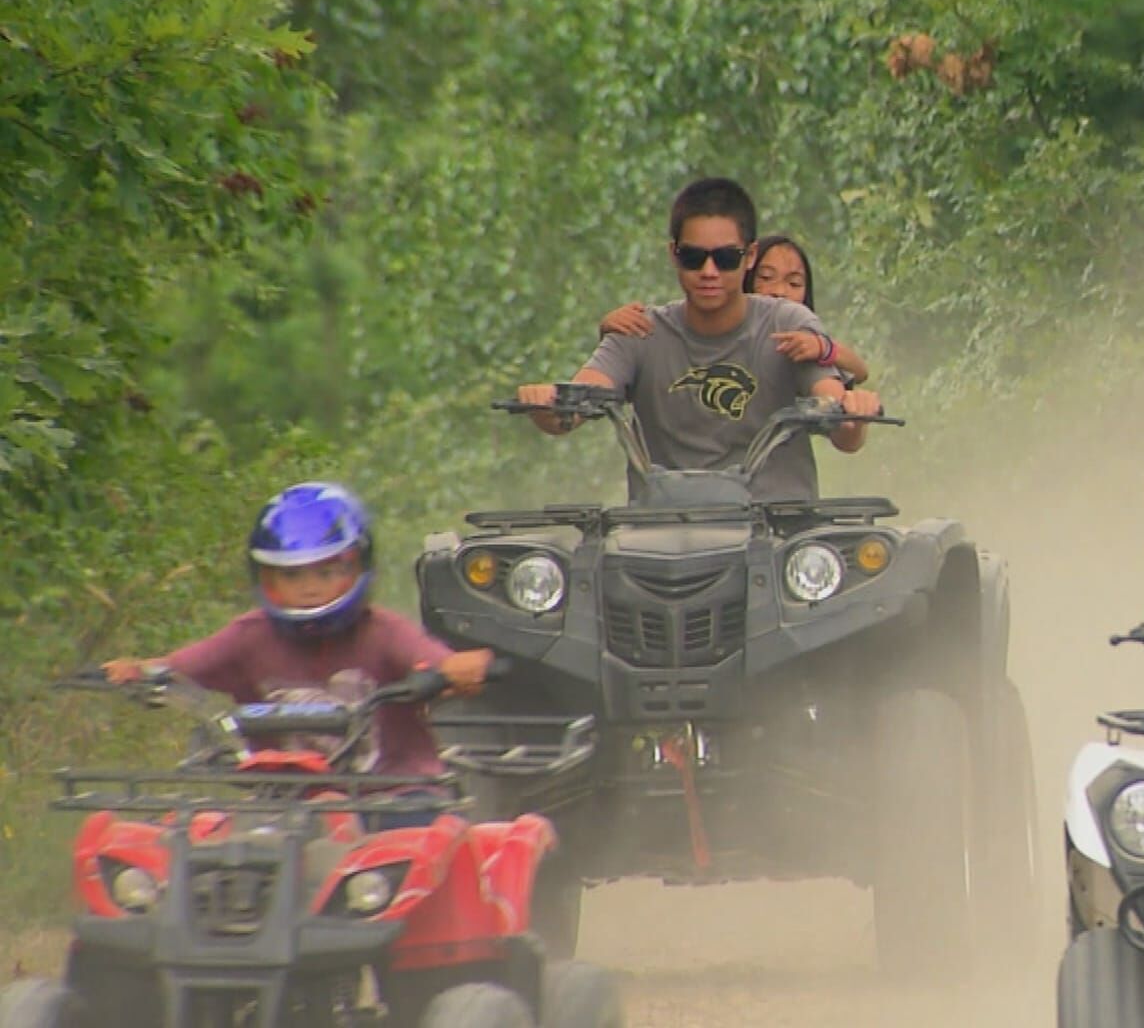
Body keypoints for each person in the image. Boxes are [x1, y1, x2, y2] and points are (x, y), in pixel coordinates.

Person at [104, 482, 492, 826]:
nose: (309, 588)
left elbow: (435, 660)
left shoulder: (382, 632)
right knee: (198, 845)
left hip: (394, 797)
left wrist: (455, 669)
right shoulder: (249, 636)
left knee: (421, 840)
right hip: (286, 806)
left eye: (326, 573)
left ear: (358, 568)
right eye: (292, 575)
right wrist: (138, 672)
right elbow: (178, 668)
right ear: (265, 576)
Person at [517, 178, 881, 500]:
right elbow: (574, 406)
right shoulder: (638, 331)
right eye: (693, 257)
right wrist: (546, 403)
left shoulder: (789, 323)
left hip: (778, 532)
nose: (709, 272)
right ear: (673, 255)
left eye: (725, 258)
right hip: (662, 536)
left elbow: (842, 428)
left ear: (750, 256)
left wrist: (853, 412)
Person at [598, 233, 872, 385]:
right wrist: (612, 329)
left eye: (794, 283)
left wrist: (824, 348)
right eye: (766, 278)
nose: (780, 291)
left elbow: (859, 373)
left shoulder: (800, 342)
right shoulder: (697, 326)